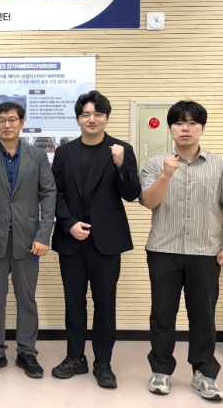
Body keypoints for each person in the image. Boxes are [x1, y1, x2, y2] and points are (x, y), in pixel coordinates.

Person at [139, 100, 223, 401]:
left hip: (206, 253)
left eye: (192, 123)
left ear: (202, 128)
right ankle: (161, 370)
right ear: (170, 128)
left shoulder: (221, 165)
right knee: (162, 314)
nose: (185, 128)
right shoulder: (156, 164)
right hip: (164, 250)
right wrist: (165, 175)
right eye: (178, 123)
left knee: (203, 316)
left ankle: (204, 374)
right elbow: (148, 202)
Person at [50, 90, 141, 388]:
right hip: (72, 239)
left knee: (105, 303)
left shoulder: (122, 149)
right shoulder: (64, 152)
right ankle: (75, 358)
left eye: (98, 114)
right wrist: (68, 224)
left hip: (107, 241)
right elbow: (55, 193)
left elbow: (131, 193)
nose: (92, 119)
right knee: (74, 303)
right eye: (86, 114)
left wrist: (120, 166)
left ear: (106, 118)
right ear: (78, 119)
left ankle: (103, 363)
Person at [0, 101, 56, 379]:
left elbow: (49, 195)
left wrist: (43, 235)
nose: (7, 124)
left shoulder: (36, 155)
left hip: (28, 240)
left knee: (26, 298)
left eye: (12, 119)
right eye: (1, 120)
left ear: (21, 122)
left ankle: (27, 352)